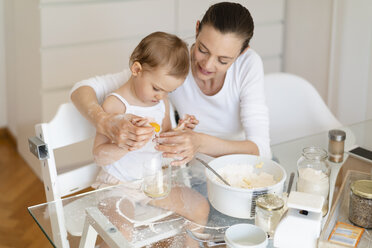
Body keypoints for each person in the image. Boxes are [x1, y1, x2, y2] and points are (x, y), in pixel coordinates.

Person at [70, 1, 271, 166]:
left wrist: (199, 141)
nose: (207, 65)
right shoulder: (175, 61)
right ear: (197, 29)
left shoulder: (248, 65)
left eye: (223, 60)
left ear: (242, 53)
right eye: (202, 49)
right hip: (194, 169)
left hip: (240, 167)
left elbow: (261, 150)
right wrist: (104, 121)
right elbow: (82, 89)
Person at [90, 31, 209, 247]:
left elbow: (162, 142)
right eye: (156, 88)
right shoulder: (116, 105)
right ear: (137, 69)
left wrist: (179, 132)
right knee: (122, 233)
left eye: (168, 92)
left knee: (200, 208)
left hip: (152, 182)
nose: (161, 96)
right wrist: (127, 144)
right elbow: (99, 155)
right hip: (117, 185)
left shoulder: (161, 104)